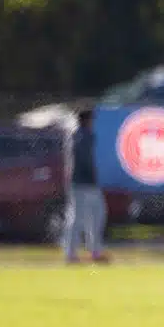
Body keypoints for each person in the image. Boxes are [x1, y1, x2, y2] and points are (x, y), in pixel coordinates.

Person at [63, 107, 109, 264]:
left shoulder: (76, 135)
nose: (93, 122)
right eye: (91, 119)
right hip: (84, 182)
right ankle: (76, 253)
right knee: (82, 218)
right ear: (86, 120)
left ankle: (90, 251)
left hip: (80, 182)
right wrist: (93, 175)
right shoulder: (83, 136)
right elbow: (85, 160)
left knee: (90, 217)